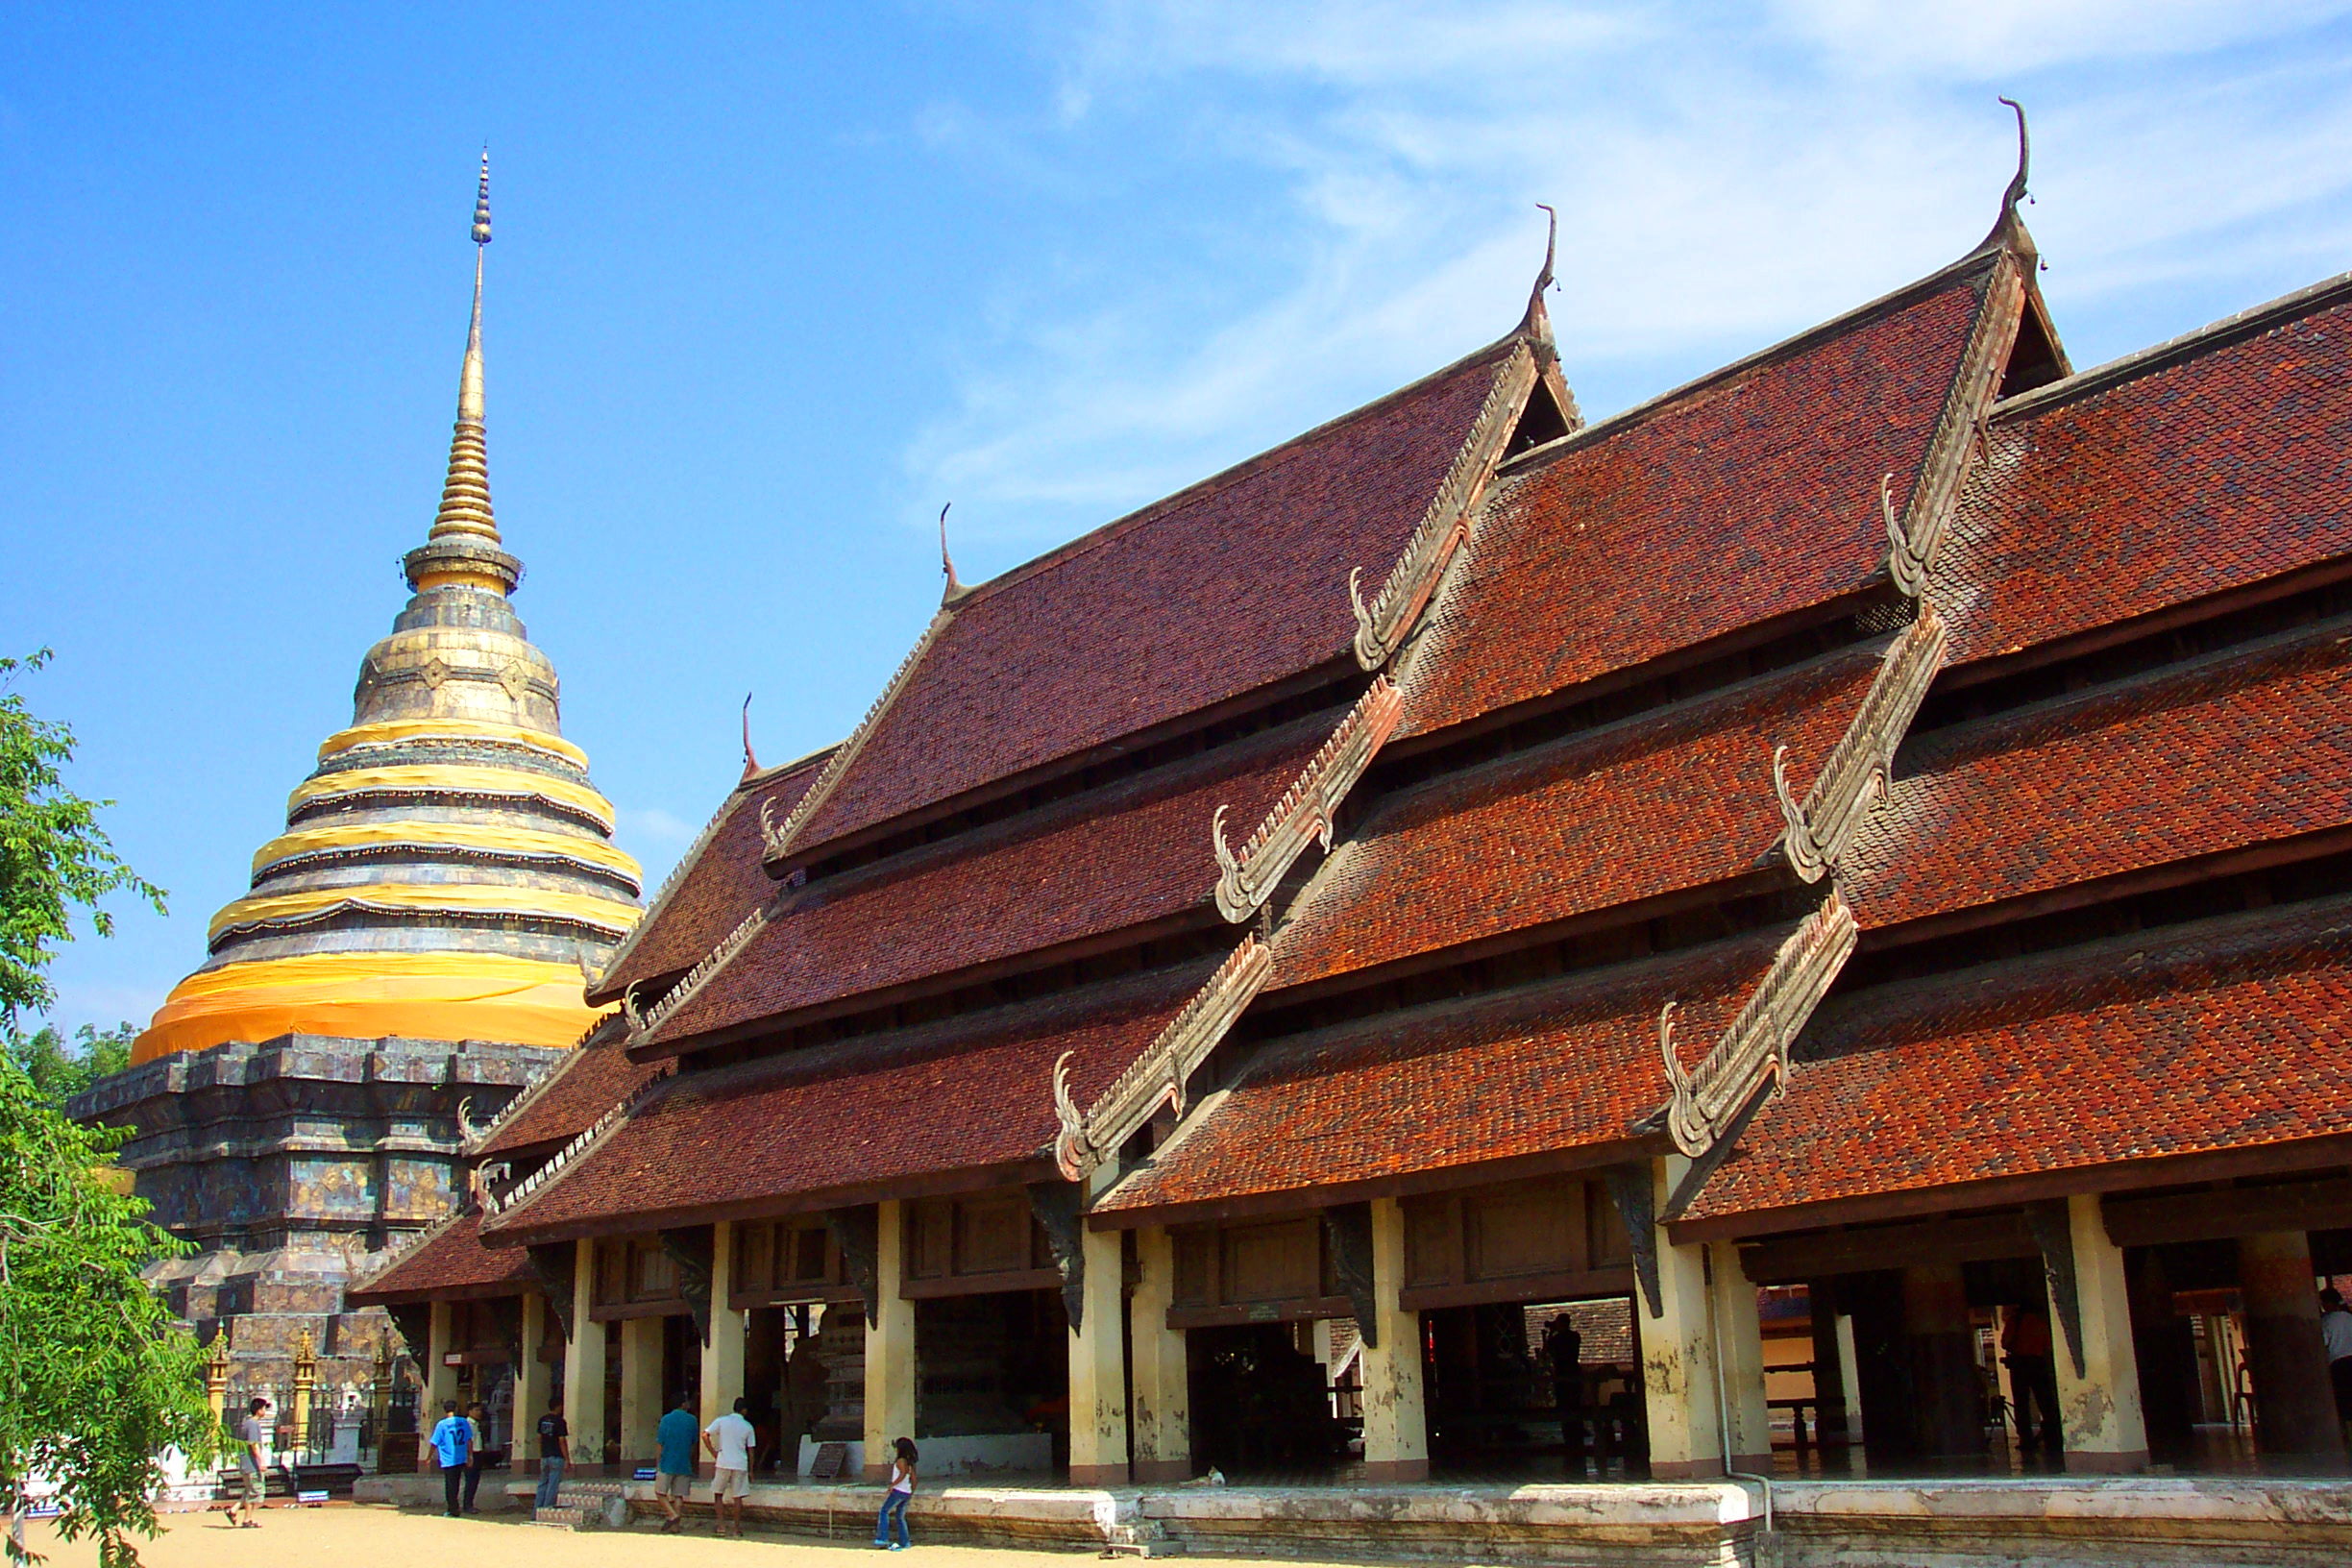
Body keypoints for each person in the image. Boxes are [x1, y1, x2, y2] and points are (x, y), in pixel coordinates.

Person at [2002, 1304, 2062, 1458]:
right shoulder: (2039, 1322)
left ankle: (2026, 1438)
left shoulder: (2015, 1321)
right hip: (2038, 1363)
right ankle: (2053, 1436)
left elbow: (2005, 1342)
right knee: (2045, 1401)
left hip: (2020, 1364)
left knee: (2021, 1403)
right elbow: (2047, 1345)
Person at [703, 1396, 758, 1539]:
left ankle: (721, 1526)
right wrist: (751, 1471)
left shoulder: (722, 1421)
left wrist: (714, 1452)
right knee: (737, 1497)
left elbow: (705, 1435)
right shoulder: (747, 1426)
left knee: (718, 1494)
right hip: (740, 1464)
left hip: (723, 1461)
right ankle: (736, 1528)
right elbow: (751, 1450)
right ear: (744, 1411)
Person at [654, 1394, 700, 1533]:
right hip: (684, 1462)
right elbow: (694, 1442)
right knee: (678, 1495)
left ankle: (672, 1515)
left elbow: (660, 1442)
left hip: (667, 1461)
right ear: (683, 1404)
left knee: (660, 1493)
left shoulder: (666, 1419)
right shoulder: (692, 1420)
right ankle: (676, 1526)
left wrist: (658, 1461)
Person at [228, 1397, 271, 1528]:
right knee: (254, 1492)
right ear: (258, 1410)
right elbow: (253, 1444)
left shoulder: (246, 1422)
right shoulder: (252, 1424)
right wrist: (261, 1461)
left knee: (249, 1490)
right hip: (251, 1463)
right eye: (263, 1408)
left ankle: (234, 1510)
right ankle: (247, 1519)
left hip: (246, 1462)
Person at [428, 1399, 474, 1518]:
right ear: (456, 1409)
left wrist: (428, 1457)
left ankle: (453, 1509)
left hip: (448, 1458)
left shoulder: (442, 1424)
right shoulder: (463, 1422)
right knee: (457, 1482)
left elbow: (434, 1443)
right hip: (461, 1456)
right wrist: (470, 1455)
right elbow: (469, 1440)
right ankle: (457, 1506)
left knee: (450, 1484)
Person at [873, 1436, 916, 1552]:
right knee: (900, 1517)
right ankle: (905, 1542)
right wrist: (911, 1491)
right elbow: (913, 1479)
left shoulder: (901, 1461)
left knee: (884, 1511)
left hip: (898, 1491)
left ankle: (883, 1538)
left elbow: (902, 1474)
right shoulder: (910, 1462)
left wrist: (892, 1485)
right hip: (906, 1492)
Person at [2321, 1287, 2352, 1439]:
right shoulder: (2349, 1317)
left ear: (2327, 1303)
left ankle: (2344, 1434)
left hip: (2338, 1365)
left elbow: (2323, 1343)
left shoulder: (2327, 1321)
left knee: (2342, 1402)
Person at [534, 1397, 571, 1513]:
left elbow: (539, 1438)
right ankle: (546, 1509)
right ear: (558, 1406)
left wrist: (541, 1454)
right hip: (556, 1456)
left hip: (545, 1456)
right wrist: (567, 1459)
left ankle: (536, 1511)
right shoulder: (560, 1421)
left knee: (542, 1484)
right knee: (553, 1484)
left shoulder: (542, 1420)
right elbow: (562, 1441)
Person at [461, 1401, 490, 1514]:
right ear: (470, 1412)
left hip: (478, 1453)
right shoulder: (468, 1424)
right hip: (471, 1454)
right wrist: (469, 1456)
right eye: (476, 1410)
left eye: (480, 1410)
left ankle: (469, 1503)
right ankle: (467, 1505)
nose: (479, 1413)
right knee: (471, 1480)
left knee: (474, 1480)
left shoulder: (476, 1424)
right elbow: (468, 1441)